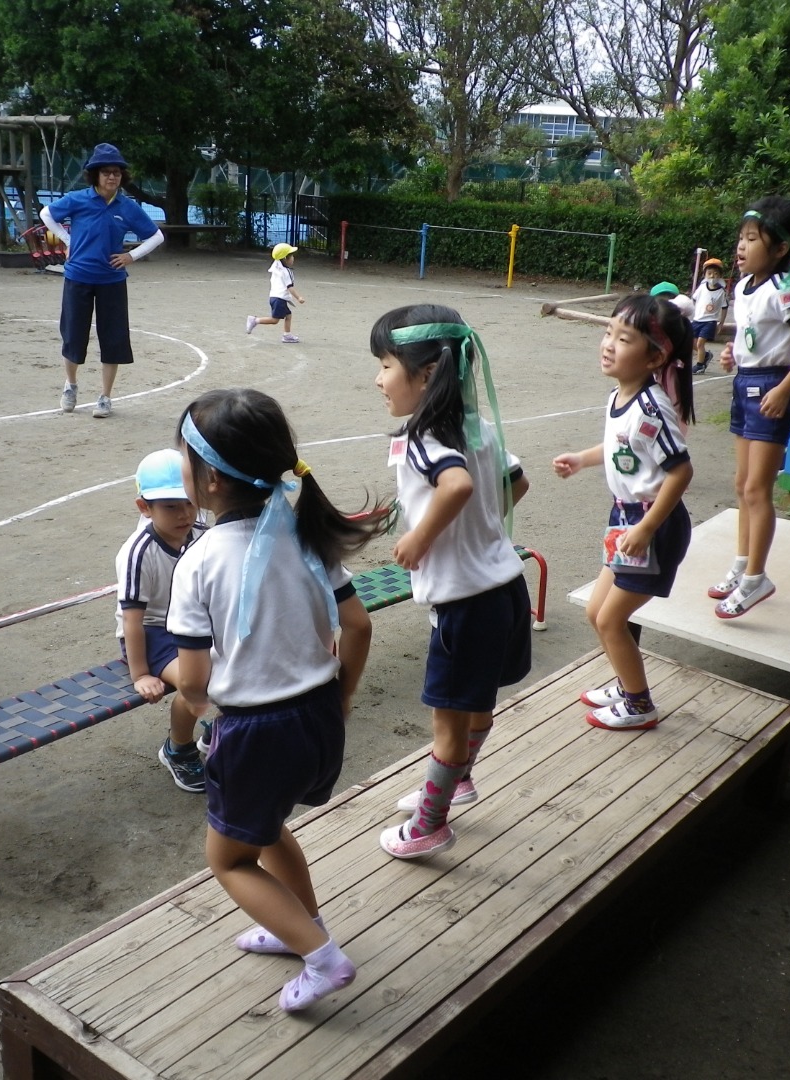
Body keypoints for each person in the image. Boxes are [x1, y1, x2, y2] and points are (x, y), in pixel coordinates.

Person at [166, 388, 383, 1012]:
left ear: (209, 480)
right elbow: (358, 626)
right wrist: (341, 700)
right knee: (265, 829)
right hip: (317, 716)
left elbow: (192, 679)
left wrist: (200, 708)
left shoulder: (200, 560)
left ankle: (324, 960)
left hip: (256, 732)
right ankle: (300, 928)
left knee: (228, 860)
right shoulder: (304, 533)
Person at [370, 305, 533, 859]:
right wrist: (480, 528)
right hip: (506, 588)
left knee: (447, 725)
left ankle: (429, 826)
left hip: (464, 605)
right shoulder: (477, 427)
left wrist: (421, 537)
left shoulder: (423, 436)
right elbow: (517, 482)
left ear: (426, 374)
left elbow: (457, 486)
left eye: (386, 365)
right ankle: (458, 781)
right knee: (477, 707)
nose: (378, 379)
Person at [553, 294, 695, 730]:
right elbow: (621, 447)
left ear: (655, 357)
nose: (608, 344)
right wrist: (582, 458)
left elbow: (681, 472)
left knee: (611, 619)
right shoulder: (620, 396)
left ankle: (639, 704)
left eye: (624, 338)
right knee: (597, 612)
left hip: (653, 526)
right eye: (608, 332)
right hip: (626, 519)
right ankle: (626, 681)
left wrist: (647, 528)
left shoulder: (652, 409)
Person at [712, 197, 790, 618]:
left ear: (780, 249)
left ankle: (756, 579)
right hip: (745, 385)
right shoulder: (744, 287)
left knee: (758, 490)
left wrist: (784, 388)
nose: (741, 246)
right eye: (741, 238)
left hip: (771, 389)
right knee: (742, 484)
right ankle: (743, 563)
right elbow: (753, 336)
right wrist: (734, 354)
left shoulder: (782, 292)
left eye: (752, 239)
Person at [40, 143, 165, 418]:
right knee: (73, 335)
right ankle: (70, 385)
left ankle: (105, 397)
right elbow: (46, 214)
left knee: (114, 338)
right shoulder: (78, 199)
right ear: (95, 174)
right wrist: (69, 240)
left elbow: (156, 236)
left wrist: (131, 256)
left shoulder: (127, 206)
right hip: (78, 277)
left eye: (117, 172)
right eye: (106, 172)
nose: (112, 177)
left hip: (112, 281)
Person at [115, 449, 209, 793]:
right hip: (153, 632)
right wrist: (140, 674)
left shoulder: (201, 533)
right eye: (170, 506)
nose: (184, 514)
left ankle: (220, 730)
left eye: (189, 502)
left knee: (245, 659)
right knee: (196, 683)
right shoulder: (138, 552)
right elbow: (132, 621)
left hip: (193, 621)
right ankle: (178, 749)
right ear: (144, 507)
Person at [245, 243, 305, 343]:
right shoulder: (286, 271)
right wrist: (298, 297)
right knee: (274, 320)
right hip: (279, 299)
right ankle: (255, 320)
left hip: (274, 297)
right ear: (285, 259)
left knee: (288, 315)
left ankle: (287, 335)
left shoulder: (276, 266)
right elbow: (290, 287)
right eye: (291, 256)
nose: (293, 258)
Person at [690, 257, 730, 374]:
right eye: (710, 273)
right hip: (697, 319)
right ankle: (706, 355)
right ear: (705, 275)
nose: (712, 276)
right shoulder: (702, 287)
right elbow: (694, 300)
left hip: (710, 321)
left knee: (700, 343)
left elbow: (724, 307)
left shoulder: (721, 292)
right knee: (691, 342)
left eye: (716, 273)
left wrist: (721, 323)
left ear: (720, 276)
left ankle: (700, 365)